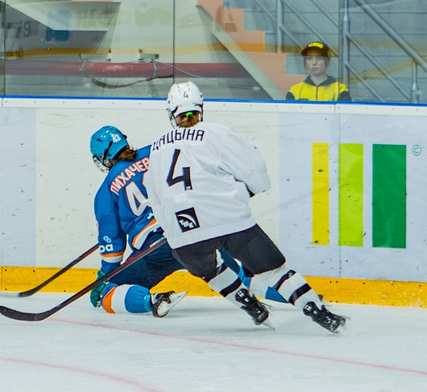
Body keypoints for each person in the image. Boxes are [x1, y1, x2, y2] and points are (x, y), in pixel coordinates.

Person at [147, 82, 346, 333]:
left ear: (171, 113)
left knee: (210, 271)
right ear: (201, 109)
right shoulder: (215, 133)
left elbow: (154, 197)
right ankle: (320, 313)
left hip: (181, 234)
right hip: (226, 219)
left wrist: (172, 229)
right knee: (275, 272)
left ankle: (251, 306)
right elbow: (256, 173)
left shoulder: (155, 148)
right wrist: (243, 192)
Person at [83, 125, 186, 319]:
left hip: (156, 250)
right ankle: (257, 292)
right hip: (189, 230)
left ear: (104, 158)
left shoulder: (106, 189)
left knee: (108, 292)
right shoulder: (156, 151)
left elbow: (112, 246)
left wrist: (106, 277)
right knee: (233, 274)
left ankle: (154, 300)